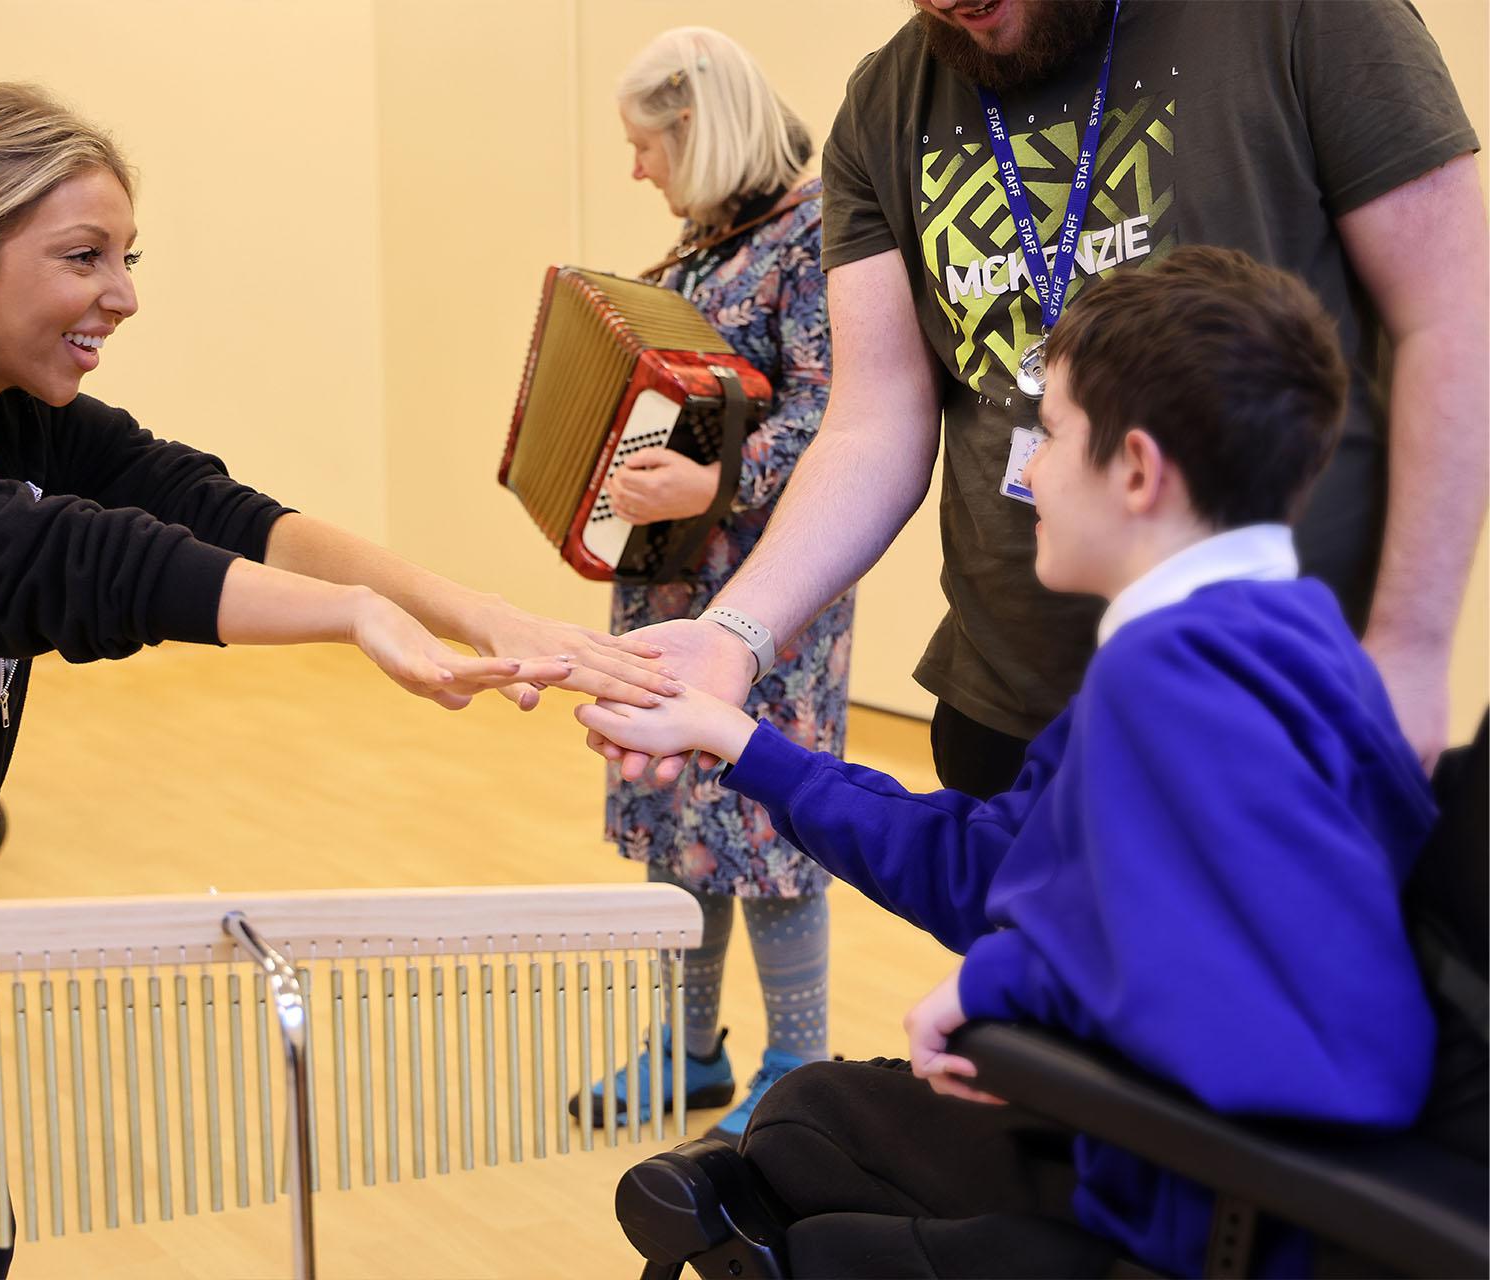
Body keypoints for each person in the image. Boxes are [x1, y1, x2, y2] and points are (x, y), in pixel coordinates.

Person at [0, 82, 672, 1278]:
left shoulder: (8, 412)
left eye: (128, 257)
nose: (124, 294)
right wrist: (352, 619)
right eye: (83, 257)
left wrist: (467, 605)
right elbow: (70, 563)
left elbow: (215, 508)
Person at [578, 246, 1444, 1277]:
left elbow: (1201, 962)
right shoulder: (1286, 642)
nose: (1025, 469)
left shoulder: (1169, 673)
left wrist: (1004, 987)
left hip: (1199, 1206)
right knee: (806, 1114)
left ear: (1135, 469)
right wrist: (742, 742)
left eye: (1054, 434)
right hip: (1223, 1171)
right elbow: (1011, 867)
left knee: (805, 1235)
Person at [591, 0, 1486, 797]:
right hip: (1013, 712)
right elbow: (873, 421)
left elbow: (1453, 324)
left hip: (1284, 693)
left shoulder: (1308, 19)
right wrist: (736, 633)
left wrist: (1408, 650)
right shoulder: (884, 104)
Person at [574, 27, 855, 1146]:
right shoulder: (699, 250)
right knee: (675, 823)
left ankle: (796, 1064)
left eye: (646, 145)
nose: (636, 168)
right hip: (669, 582)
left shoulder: (816, 233)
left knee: (766, 822)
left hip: (770, 586)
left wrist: (713, 478)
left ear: (695, 126)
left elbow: (839, 417)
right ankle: (688, 1050)